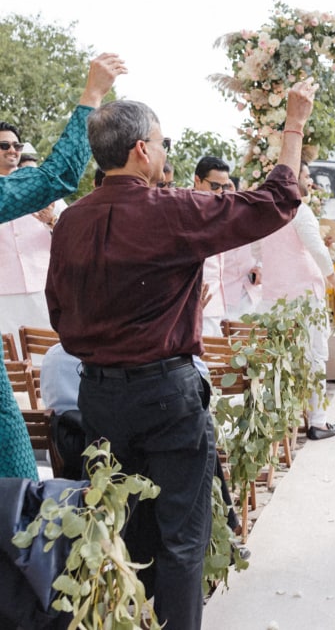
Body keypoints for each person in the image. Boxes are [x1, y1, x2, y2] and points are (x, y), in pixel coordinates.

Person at [46, 79, 315, 630]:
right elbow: (277, 200)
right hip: (164, 395)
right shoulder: (168, 211)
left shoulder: (71, 221)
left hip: (96, 395)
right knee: (181, 541)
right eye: (163, 144)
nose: (167, 154)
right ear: (142, 149)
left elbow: (59, 313)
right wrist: (293, 125)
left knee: (122, 533)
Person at [0, 53, 123, 481]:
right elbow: (57, 175)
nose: (12, 152)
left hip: (37, 297)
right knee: (16, 476)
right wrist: (92, 94)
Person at [256, 159, 335, 440]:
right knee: (315, 355)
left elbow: (254, 251)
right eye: (305, 176)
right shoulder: (299, 210)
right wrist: (332, 276)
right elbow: (316, 249)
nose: (310, 181)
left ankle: (279, 420)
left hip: (273, 296)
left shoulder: (264, 213)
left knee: (278, 359)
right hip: (305, 293)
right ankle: (317, 421)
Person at [0, 122, 67, 335]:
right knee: (12, 361)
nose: (12, 150)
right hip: (3, 295)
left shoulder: (40, 186)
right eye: (4, 145)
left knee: (44, 355)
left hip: (42, 288)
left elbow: (71, 233)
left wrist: (50, 220)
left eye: (16, 145)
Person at [192, 156, 260, 335]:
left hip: (221, 304)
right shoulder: (186, 212)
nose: (220, 192)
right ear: (197, 180)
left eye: (225, 187)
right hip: (197, 306)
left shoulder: (224, 211)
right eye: (215, 186)